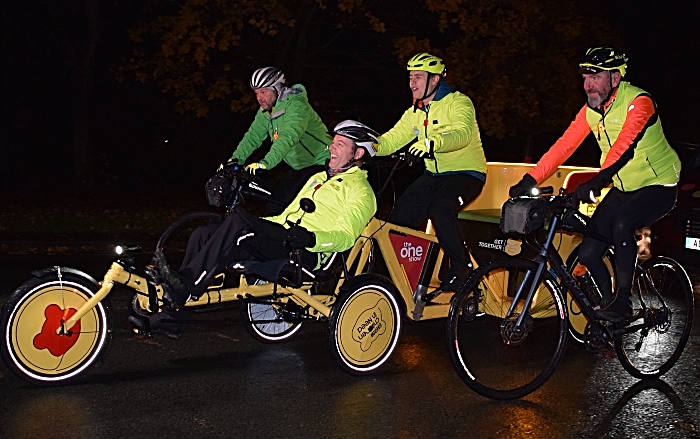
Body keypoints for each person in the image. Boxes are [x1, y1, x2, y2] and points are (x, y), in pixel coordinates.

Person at [142, 120, 379, 338]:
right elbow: (285, 216)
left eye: (340, 144)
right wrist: (258, 222)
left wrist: (311, 238)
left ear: (357, 153)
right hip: (283, 236)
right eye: (332, 142)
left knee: (238, 223)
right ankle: (174, 319)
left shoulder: (361, 191)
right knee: (204, 234)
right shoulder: (318, 178)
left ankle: (184, 286)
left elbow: (346, 237)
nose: (331, 148)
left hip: (305, 252)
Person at [509, 46, 681, 321]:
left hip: (659, 185)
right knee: (588, 252)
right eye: (585, 78)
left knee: (622, 223)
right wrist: (530, 179)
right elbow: (564, 146)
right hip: (624, 188)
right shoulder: (592, 110)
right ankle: (606, 308)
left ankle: (623, 301)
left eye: (595, 77)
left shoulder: (639, 102)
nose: (588, 85)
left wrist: (597, 181)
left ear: (615, 77)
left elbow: (624, 146)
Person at [375, 52, 487, 291]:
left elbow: (461, 133)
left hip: (466, 173)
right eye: (410, 77)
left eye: (418, 77)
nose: (412, 83)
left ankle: (462, 265)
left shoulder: (459, 103)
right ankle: (398, 275)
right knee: (400, 219)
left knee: (441, 209)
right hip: (433, 175)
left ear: (435, 80)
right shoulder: (415, 112)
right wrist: (364, 147)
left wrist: (432, 142)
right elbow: (390, 140)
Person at [229, 67, 331, 214]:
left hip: (321, 162)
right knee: (275, 205)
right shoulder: (266, 112)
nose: (259, 98)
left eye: (263, 91)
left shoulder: (296, 105)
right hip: (299, 167)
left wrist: (265, 163)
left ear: (277, 89)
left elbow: (288, 137)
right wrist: (233, 161)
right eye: (256, 93)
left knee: (287, 208)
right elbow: (252, 138)